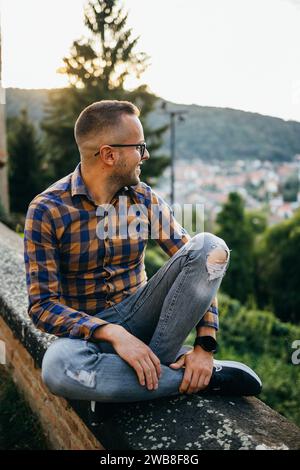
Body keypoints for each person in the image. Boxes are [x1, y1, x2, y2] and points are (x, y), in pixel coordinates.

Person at [24, 100, 262, 407]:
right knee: (57, 368)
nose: (146, 155)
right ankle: (196, 379)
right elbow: (42, 306)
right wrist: (112, 333)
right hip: (88, 335)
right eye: (139, 146)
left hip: (143, 316)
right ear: (109, 155)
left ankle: (143, 371)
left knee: (210, 246)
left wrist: (205, 346)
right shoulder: (46, 210)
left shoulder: (143, 198)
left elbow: (200, 260)